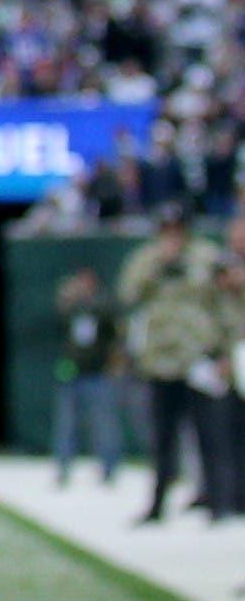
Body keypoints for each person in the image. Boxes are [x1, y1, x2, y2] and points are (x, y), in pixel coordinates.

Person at [121, 210, 226, 523]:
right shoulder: (147, 258)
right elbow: (129, 293)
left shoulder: (207, 256)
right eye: (166, 228)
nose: (172, 235)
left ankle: (216, 502)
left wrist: (219, 350)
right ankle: (157, 504)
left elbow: (221, 300)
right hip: (161, 360)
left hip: (197, 355)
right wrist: (159, 264)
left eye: (177, 228)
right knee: (163, 438)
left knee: (209, 434)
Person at [51, 267, 123, 488]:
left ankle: (109, 467)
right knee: (66, 423)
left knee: (104, 423)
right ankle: (63, 467)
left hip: (97, 372)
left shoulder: (103, 307)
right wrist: (67, 298)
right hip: (72, 372)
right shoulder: (71, 308)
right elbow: (58, 320)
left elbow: (113, 328)